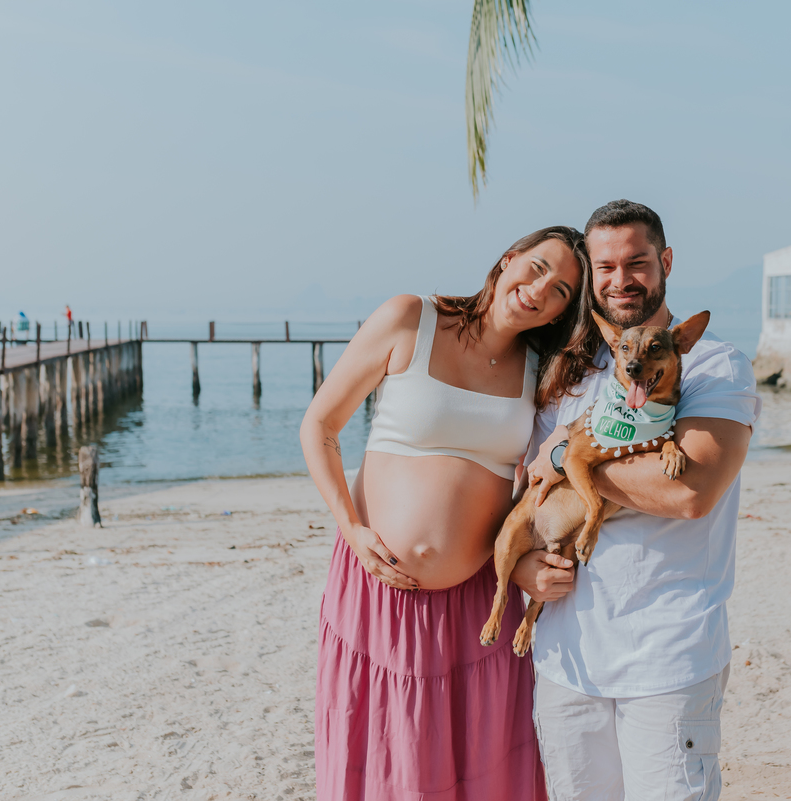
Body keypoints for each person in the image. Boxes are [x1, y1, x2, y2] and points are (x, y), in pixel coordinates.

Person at [300, 226, 595, 800]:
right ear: (507, 259)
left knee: (481, 763)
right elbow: (320, 426)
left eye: (560, 289)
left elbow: (535, 483)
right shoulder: (410, 318)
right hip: (379, 588)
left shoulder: (543, 373)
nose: (540, 289)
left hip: (480, 600)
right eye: (536, 268)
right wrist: (351, 527)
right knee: (387, 756)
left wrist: (527, 560)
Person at [516, 200, 762, 801]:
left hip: (667, 656)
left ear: (665, 262)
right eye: (604, 267)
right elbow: (525, 485)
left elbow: (688, 490)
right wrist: (523, 565)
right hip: (566, 657)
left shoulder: (712, 365)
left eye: (637, 262)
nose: (620, 279)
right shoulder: (572, 367)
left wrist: (568, 458)